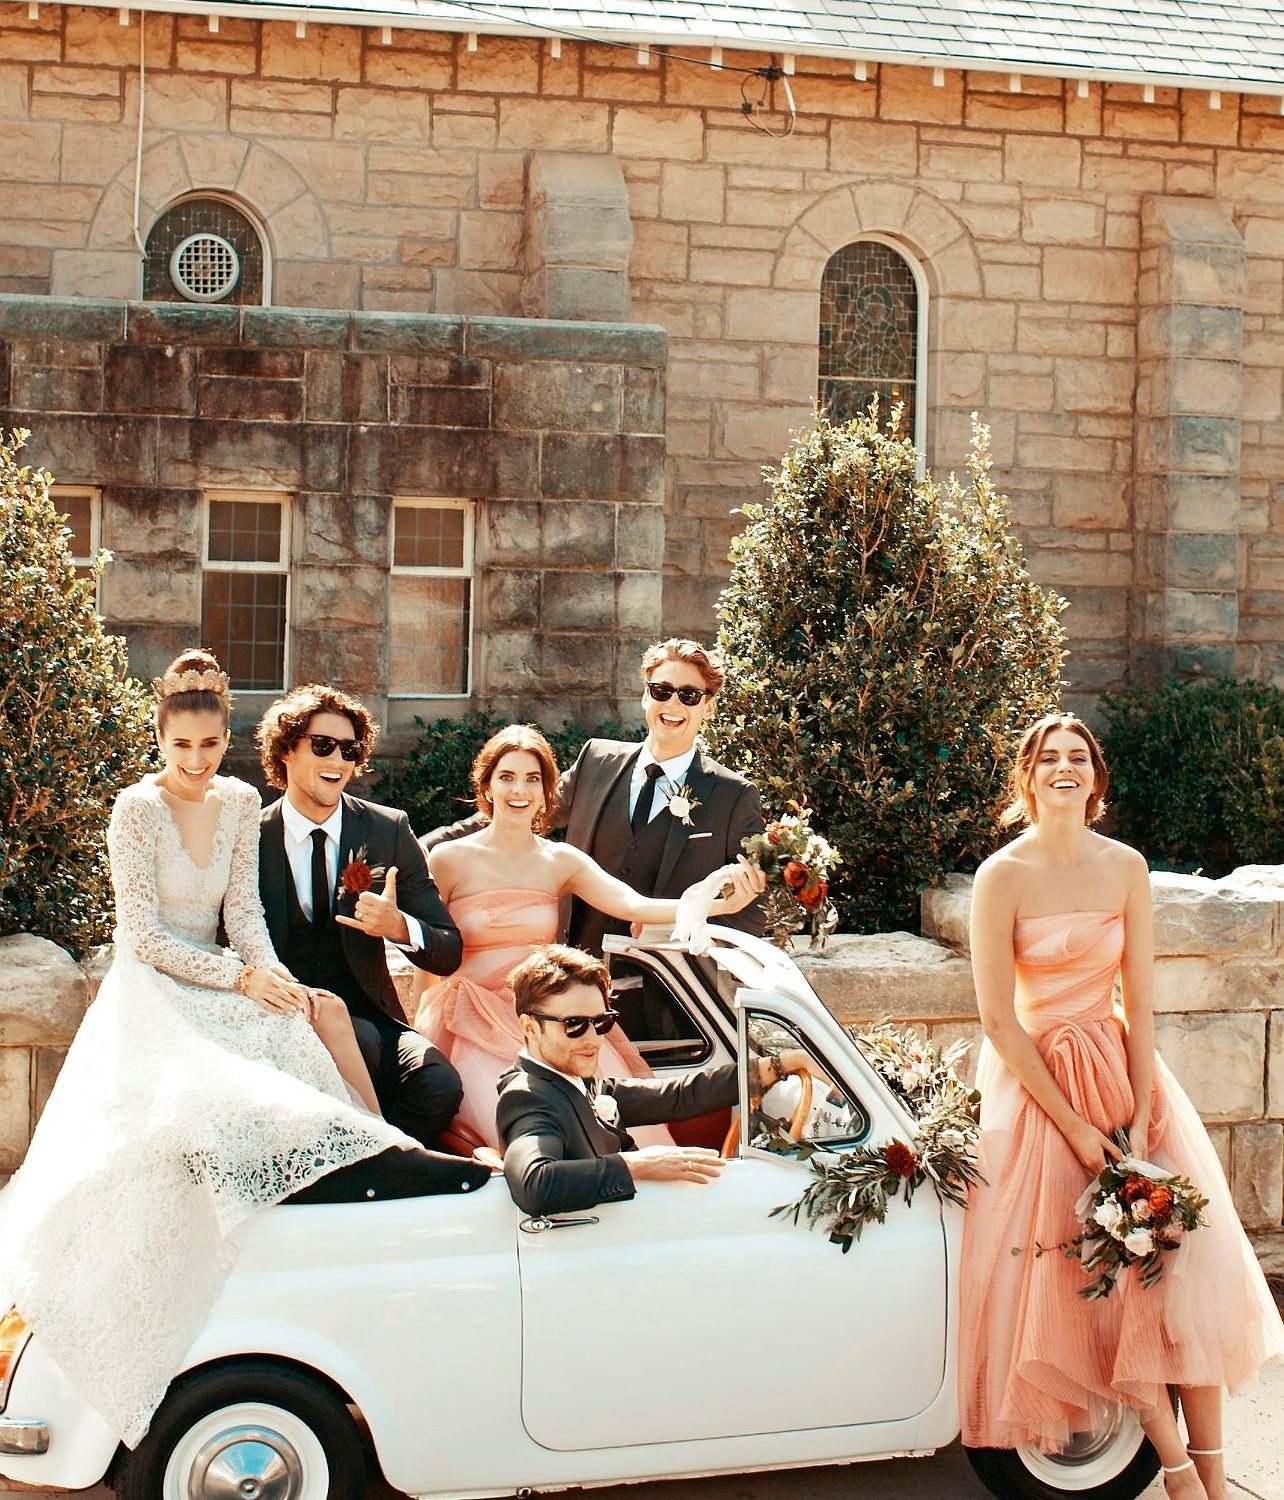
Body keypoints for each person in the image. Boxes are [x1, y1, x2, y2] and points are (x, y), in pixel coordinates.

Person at [0, 651, 485, 1453]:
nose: (195, 760)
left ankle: (376, 1164)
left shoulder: (241, 803)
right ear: (161, 741)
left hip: (271, 983)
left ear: (227, 742)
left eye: (208, 745)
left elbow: (244, 913)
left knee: (328, 1035)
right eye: (181, 746)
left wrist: (274, 978)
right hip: (159, 984)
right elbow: (143, 935)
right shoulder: (137, 809)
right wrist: (242, 977)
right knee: (236, 1083)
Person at [959, 713, 1284, 1499]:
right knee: (1092, 1287)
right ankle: (1176, 1475)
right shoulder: (1000, 875)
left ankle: (1213, 1482)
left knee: (1177, 1273)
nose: (1063, 768)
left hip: (1119, 1073)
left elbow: (1139, 1001)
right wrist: (1074, 1127)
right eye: (1048, 758)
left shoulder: (1127, 867)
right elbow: (998, 1019)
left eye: (1077, 757)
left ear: (1095, 778)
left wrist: (1139, 1113)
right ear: (1027, 777)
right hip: (1037, 1088)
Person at [413, 724, 765, 1148]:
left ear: (547, 791)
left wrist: (717, 905)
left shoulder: (559, 860)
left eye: (532, 779)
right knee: (516, 1128)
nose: (519, 790)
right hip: (469, 1023)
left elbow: (633, 906)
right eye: (506, 777)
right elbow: (427, 952)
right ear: (487, 786)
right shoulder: (448, 860)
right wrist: (418, 1028)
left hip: (549, 1017)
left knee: (615, 1121)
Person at [425, 638, 766, 957]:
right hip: (577, 973)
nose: (672, 704)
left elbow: (750, 908)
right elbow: (518, 814)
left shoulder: (734, 796)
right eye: (661, 691)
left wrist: (692, 941)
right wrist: (415, 850)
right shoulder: (597, 761)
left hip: (671, 984)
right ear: (645, 696)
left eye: (689, 695)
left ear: (709, 706)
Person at [256, 683, 466, 1150]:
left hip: (371, 1011)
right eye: (322, 745)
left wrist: (398, 927)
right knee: (362, 1044)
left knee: (438, 1085)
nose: (338, 760)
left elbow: (448, 949)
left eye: (349, 750)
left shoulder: (387, 830)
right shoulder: (249, 836)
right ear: (286, 750)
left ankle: (377, 1161)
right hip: (278, 1018)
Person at [496, 944, 789, 1216]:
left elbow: (676, 1096)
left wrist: (779, 1065)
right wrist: (639, 1164)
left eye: (601, 1022)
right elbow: (535, 1184)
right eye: (574, 1024)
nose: (593, 1039)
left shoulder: (571, 1081)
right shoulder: (528, 1096)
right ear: (530, 1027)